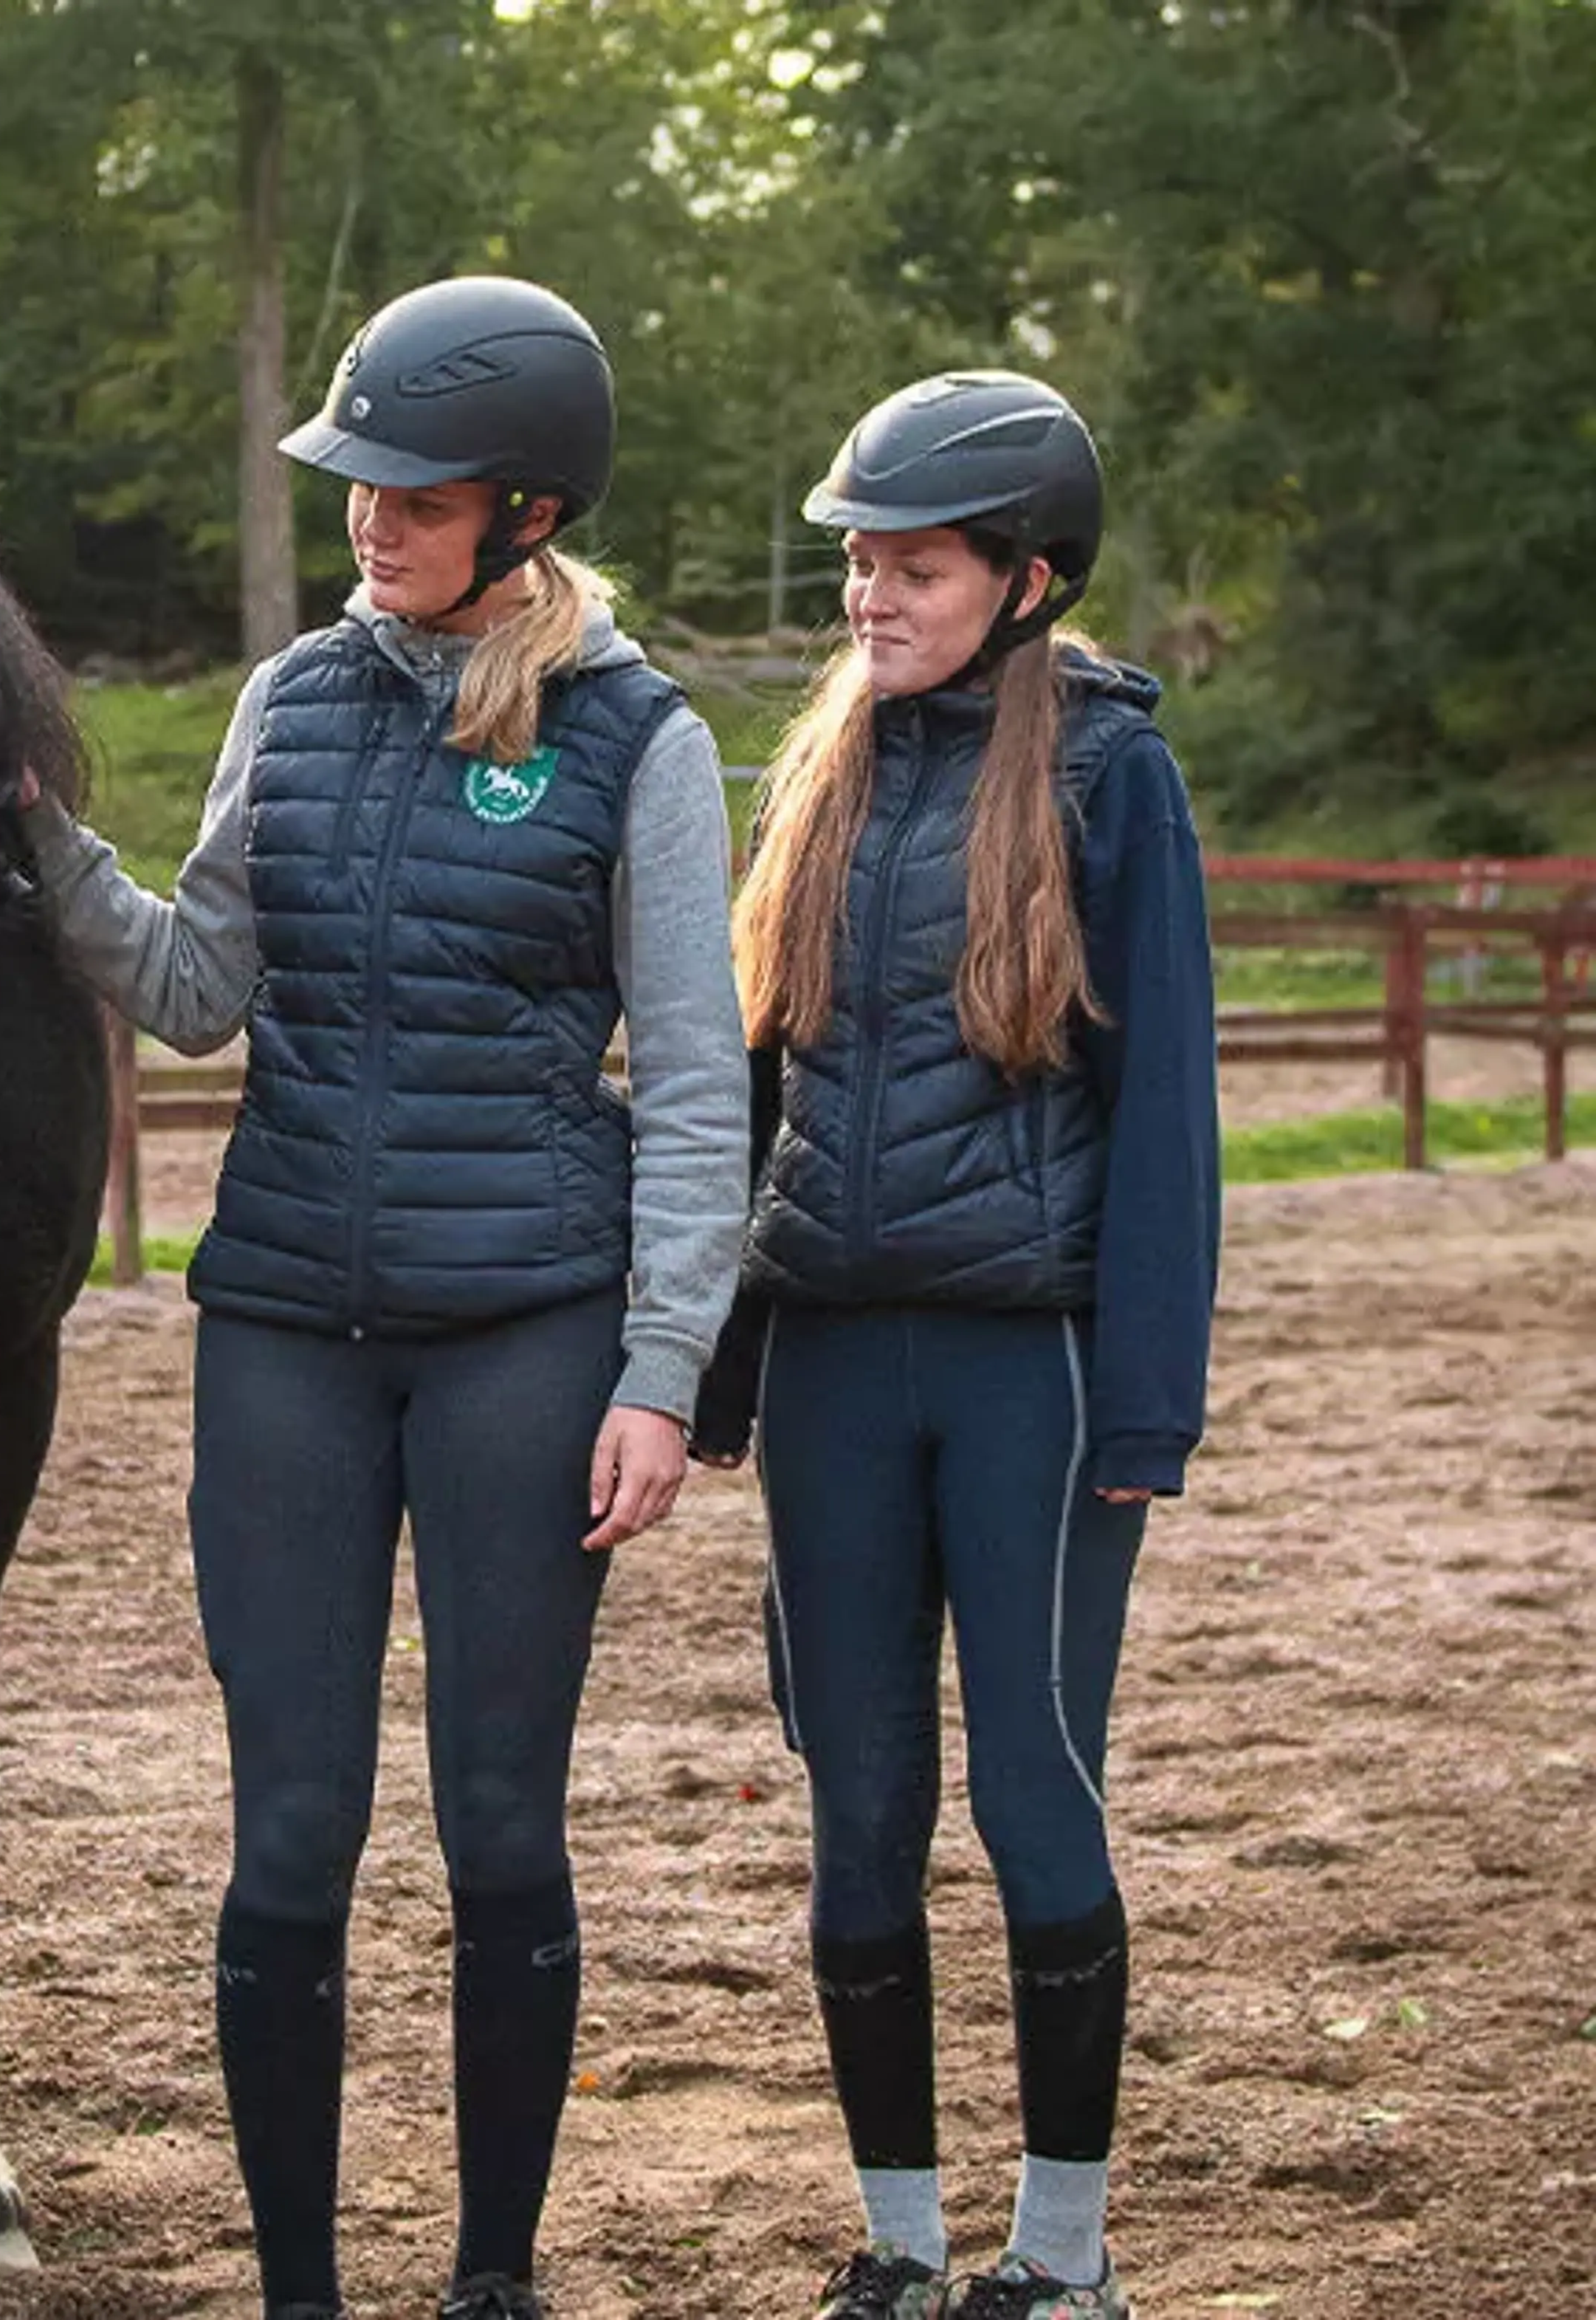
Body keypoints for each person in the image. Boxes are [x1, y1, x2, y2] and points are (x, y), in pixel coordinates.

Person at [19, 276, 750, 2320]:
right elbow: (194, 990)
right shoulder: (293, 698)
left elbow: (696, 1083)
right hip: (281, 1336)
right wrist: (41, 843)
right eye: (351, 486)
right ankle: (301, 2295)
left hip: (531, 1330)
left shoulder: (639, 736)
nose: (366, 521)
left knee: (503, 1820)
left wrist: (665, 1369)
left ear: (523, 506)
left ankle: (493, 2276)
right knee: (289, 1838)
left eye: (407, 494)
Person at [689, 372, 1220, 2320]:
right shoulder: (825, 767)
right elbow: (762, 1088)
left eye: (910, 567)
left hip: (1034, 1371)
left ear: (1026, 577)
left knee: (1031, 1790)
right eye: (856, 561)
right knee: (859, 1807)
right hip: (835, 1362)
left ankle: (1062, 2259)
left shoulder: (1105, 773)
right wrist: (718, 1370)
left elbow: (1168, 1103)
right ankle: (903, 2242)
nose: (867, 596)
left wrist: (1151, 1399)